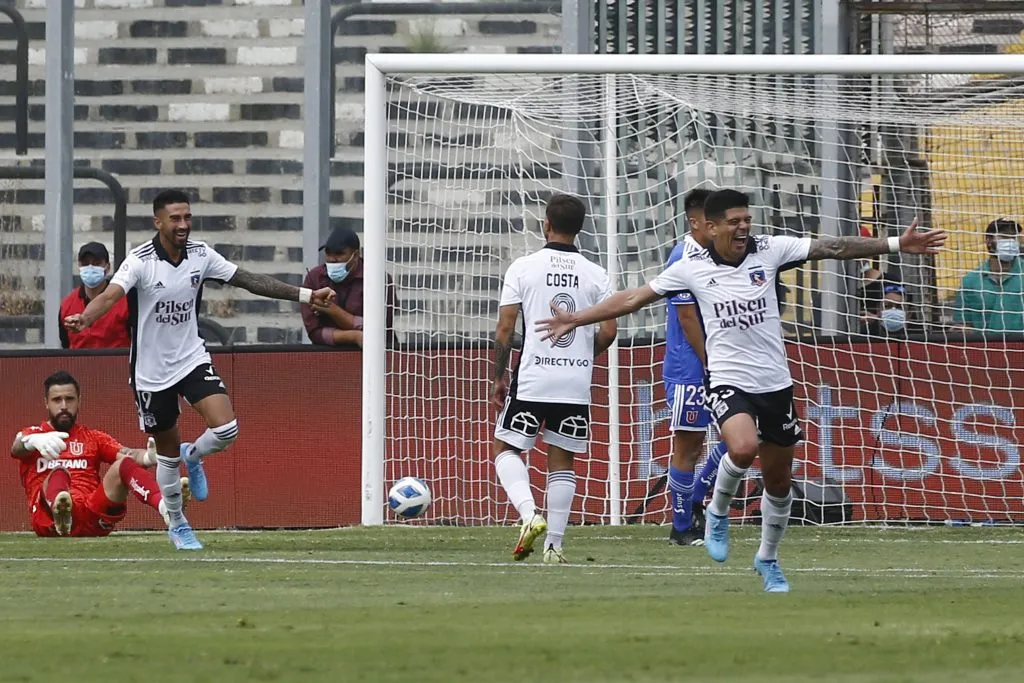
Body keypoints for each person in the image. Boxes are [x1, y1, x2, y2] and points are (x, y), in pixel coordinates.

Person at [538, 189, 945, 591]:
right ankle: (715, 512)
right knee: (742, 447)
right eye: (734, 222)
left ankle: (767, 559)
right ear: (711, 228)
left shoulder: (769, 249)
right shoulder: (690, 267)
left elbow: (833, 247)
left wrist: (895, 243)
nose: (744, 227)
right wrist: (576, 318)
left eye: (746, 220)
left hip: (774, 382)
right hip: (727, 378)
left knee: (779, 481)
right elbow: (633, 298)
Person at [63, 189, 336, 550]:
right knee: (167, 454)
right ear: (157, 222)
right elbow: (111, 295)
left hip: (191, 356)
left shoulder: (201, 254)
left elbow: (248, 280)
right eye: (175, 218)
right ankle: (177, 523)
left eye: (187, 217)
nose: (183, 225)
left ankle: (197, 454)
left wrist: (306, 295)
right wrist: (86, 317)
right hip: (151, 371)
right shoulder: (140, 260)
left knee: (227, 429)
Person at [491, 194, 617, 564]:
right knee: (562, 461)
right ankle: (554, 548)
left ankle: (530, 516)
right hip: (574, 384)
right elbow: (609, 331)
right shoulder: (597, 274)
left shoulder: (523, 268)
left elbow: (505, 328)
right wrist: (581, 357)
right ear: (580, 228)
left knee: (505, 449)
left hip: (533, 378)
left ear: (546, 224)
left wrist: (498, 377)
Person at [10, 371, 189, 537]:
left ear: (79, 401)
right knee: (58, 472)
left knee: (124, 464)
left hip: (92, 515)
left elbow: (128, 455)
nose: (64, 406)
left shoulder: (93, 438)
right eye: (57, 400)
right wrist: (32, 441)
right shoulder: (34, 434)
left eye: (69, 399)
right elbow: (16, 448)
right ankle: (61, 512)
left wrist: (150, 456)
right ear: (46, 403)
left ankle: (166, 507)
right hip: (47, 520)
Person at [662, 188, 727, 547]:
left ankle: (696, 495)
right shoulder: (683, 256)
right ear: (696, 222)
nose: (719, 229)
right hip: (690, 369)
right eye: (712, 222)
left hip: (719, 365)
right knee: (688, 446)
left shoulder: (718, 255)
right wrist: (710, 363)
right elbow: (687, 318)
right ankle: (681, 525)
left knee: (747, 437)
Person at [300, 226, 398, 348]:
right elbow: (314, 332)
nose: (332, 259)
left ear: (356, 255)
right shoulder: (314, 278)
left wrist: (333, 310)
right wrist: (355, 336)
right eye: (328, 253)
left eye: (339, 254)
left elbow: (378, 330)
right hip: (329, 356)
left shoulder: (378, 280)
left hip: (378, 356)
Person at [953, 218, 1024, 333]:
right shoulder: (970, 281)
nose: (1011, 242)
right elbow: (962, 325)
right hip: (985, 348)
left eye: (1014, 237)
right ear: (989, 241)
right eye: (1005, 236)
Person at [59, 242, 131, 349]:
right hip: (79, 364)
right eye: (85, 263)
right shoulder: (67, 305)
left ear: (107, 267)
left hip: (117, 364)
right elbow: (65, 345)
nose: (90, 267)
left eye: (97, 263)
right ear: (79, 266)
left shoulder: (125, 302)